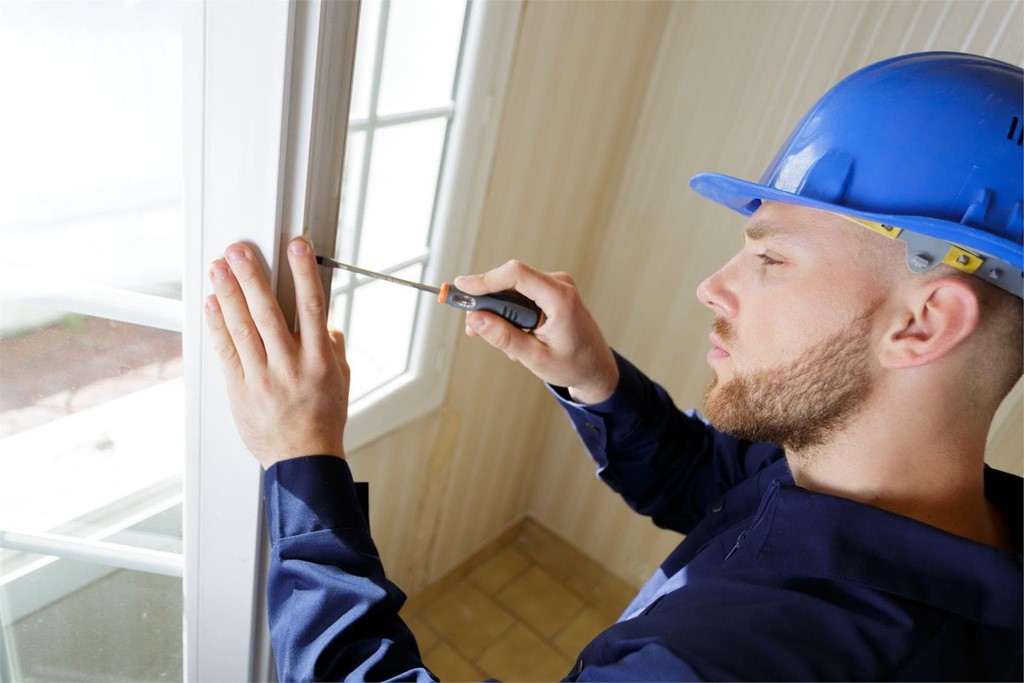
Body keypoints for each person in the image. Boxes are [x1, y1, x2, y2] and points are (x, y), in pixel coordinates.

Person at [205, 52, 1022, 681]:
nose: (712, 287)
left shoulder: (730, 666)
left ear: (922, 321)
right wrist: (592, 375)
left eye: (770, 260)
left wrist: (300, 458)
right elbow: (716, 482)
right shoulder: (906, 500)